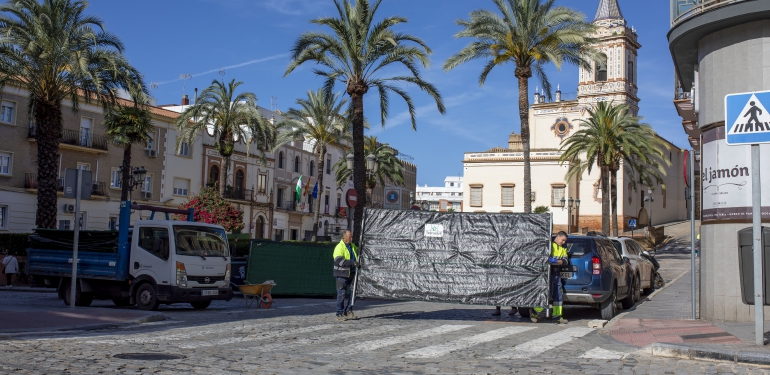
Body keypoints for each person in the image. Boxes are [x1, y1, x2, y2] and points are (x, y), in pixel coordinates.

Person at [530, 231, 569, 324]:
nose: (564, 242)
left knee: (558, 297)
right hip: (547, 274)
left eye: (565, 241)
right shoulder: (549, 245)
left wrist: (555, 261)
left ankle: (557, 316)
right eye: (563, 240)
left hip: (556, 275)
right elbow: (543, 258)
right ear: (558, 236)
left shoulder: (563, 248)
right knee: (547, 295)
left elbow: (565, 261)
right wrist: (556, 261)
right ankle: (535, 312)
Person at [333, 230, 359, 321]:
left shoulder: (352, 246)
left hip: (352, 274)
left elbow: (358, 251)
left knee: (354, 293)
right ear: (344, 238)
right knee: (341, 294)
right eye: (350, 236)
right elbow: (339, 261)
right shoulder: (339, 247)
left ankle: (348, 311)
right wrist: (353, 263)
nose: (352, 238)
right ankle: (339, 314)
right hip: (341, 275)